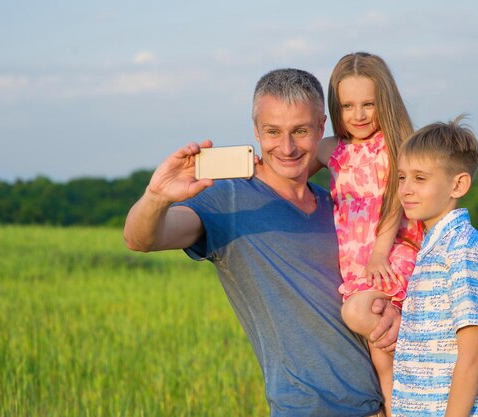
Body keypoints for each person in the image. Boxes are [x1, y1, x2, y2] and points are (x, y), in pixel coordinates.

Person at [124, 68, 402, 417]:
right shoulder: (228, 201)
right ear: (256, 130)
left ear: (321, 127)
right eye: (273, 132)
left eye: (300, 131)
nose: (286, 147)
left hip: (379, 407)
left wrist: (392, 316)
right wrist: (155, 197)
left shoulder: (343, 206)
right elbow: (141, 239)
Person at [308, 52, 423, 416]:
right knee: (376, 350)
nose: (358, 115)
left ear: (384, 101)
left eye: (368, 104)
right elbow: (288, 164)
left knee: (359, 314)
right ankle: (394, 405)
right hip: (356, 265)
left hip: (390, 256)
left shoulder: (397, 144)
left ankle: (412, 355)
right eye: (348, 106)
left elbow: (394, 200)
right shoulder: (333, 150)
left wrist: (379, 253)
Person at [392, 116, 478, 416]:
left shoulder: (461, 249)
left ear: (458, 184)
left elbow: (472, 357)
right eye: (402, 177)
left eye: (420, 178)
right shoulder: (434, 246)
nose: (406, 189)